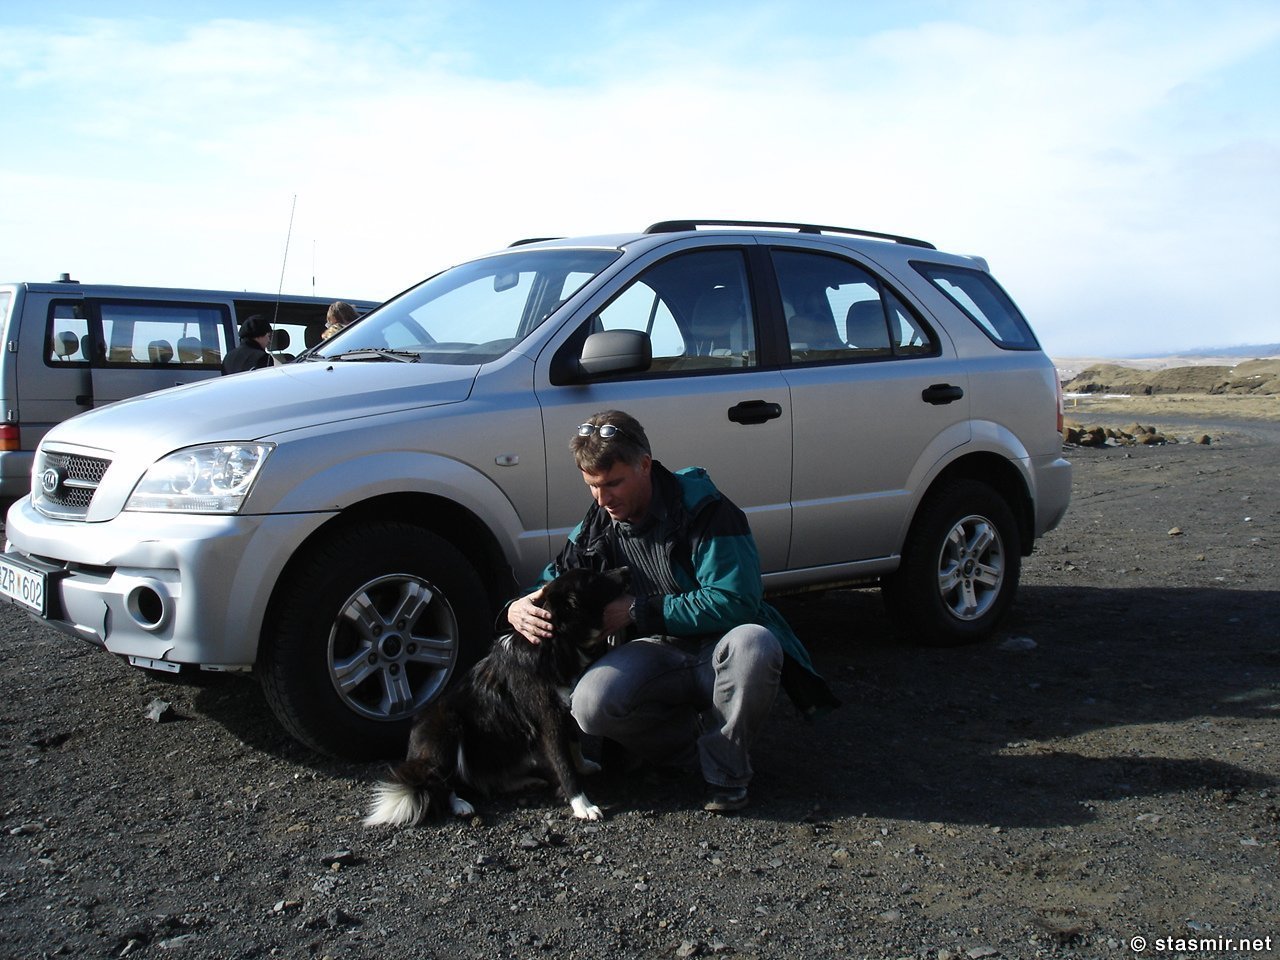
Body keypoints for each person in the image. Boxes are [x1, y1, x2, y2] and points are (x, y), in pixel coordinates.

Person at [506, 410, 837, 813]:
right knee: (590, 704)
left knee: (756, 644)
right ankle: (689, 751)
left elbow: (736, 601)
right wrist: (516, 607)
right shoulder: (598, 524)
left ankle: (727, 774)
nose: (603, 499)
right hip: (657, 649)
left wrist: (638, 610)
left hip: (721, 646)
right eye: (592, 485)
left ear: (645, 465)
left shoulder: (707, 510)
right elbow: (551, 583)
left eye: (613, 483)